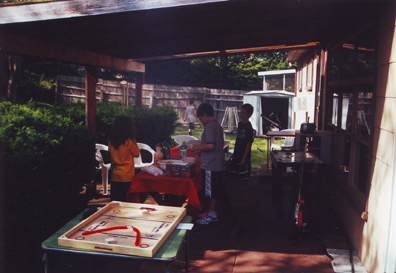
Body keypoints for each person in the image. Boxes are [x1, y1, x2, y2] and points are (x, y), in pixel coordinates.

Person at [190, 103, 224, 225]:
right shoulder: (217, 126)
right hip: (216, 163)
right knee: (212, 190)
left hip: (211, 165)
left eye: (200, 118)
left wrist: (196, 147)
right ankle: (210, 211)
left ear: (204, 115)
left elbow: (210, 145)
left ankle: (212, 214)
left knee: (210, 191)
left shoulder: (209, 127)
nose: (200, 121)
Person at [108, 116, 140, 202]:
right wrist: (133, 139)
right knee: (127, 202)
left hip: (115, 177)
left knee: (115, 202)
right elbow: (137, 154)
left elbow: (110, 152)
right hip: (127, 177)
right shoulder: (128, 142)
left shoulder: (111, 142)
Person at [229, 103, 254, 172]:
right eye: (241, 112)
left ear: (249, 115)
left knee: (242, 173)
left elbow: (248, 144)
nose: (241, 114)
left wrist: (244, 158)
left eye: (243, 113)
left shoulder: (249, 127)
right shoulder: (240, 124)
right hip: (237, 152)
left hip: (243, 154)